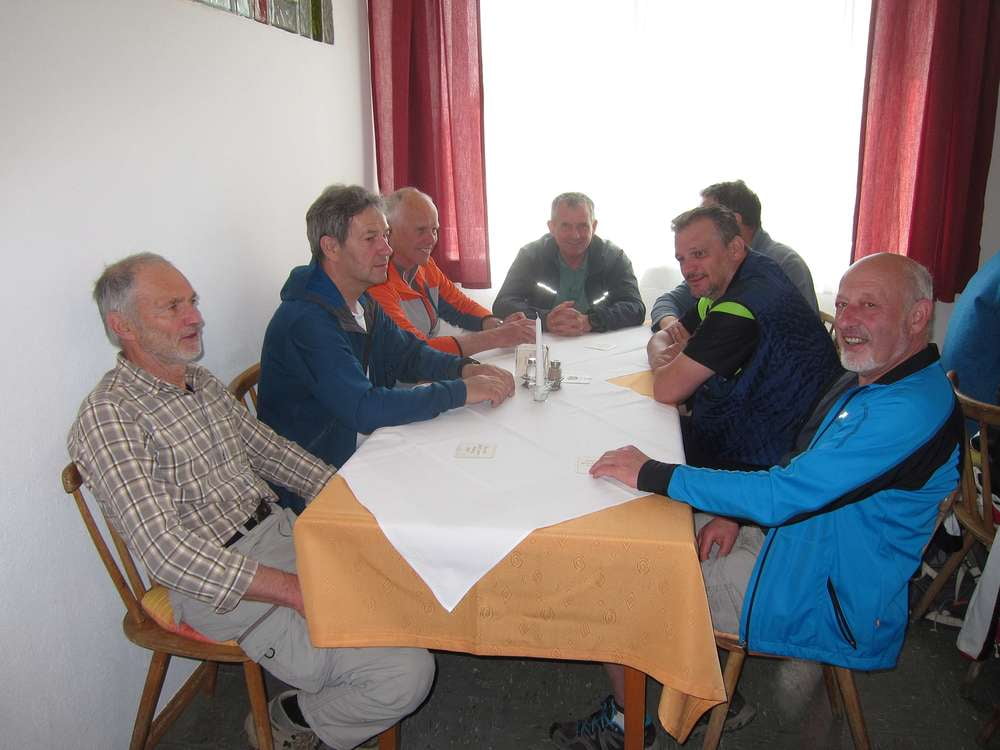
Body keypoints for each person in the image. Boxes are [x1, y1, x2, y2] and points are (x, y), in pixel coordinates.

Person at [550, 253, 964, 750]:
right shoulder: (883, 379)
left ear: (918, 316)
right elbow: (804, 465)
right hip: (800, 543)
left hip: (820, 594)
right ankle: (708, 691)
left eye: (869, 306)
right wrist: (732, 512)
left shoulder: (903, 411)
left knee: (616, 578)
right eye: (844, 304)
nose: (848, 321)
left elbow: (783, 495)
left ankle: (629, 726)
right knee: (632, 526)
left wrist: (652, 472)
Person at [67, 253, 435, 750]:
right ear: (122, 326)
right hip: (217, 582)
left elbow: (272, 453)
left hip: (278, 532)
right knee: (406, 674)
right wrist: (292, 589)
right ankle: (293, 719)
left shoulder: (199, 383)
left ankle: (338, 689)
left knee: (413, 582)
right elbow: (167, 553)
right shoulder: (110, 416)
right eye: (172, 307)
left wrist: (357, 503)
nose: (195, 317)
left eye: (192, 301)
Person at [257, 184, 515, 512]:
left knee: (479, 465)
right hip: (321, 480)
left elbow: (409, 354)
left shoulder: (361, 301)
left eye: (386, 235)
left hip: (364, 447)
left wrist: (465, 369)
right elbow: (364, 409)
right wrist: (461, 391)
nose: (387, 249)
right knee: (461, 496)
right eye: (371, 238)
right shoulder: (306, 321)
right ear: (331, 247)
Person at [647, 205, 840, 470]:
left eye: (699, 254)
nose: (688, 269)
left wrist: (670, 363)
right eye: (681, 259)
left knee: (644, 436)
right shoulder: (743, 275)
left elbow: (666, 390)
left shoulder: (739, 307)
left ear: (735, 248)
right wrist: (666, 359)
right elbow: (662, 337)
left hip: (767, 454)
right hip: (770, 424)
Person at [368, 187, 536, 356]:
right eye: (421, 230)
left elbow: (460, 306)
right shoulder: (376, 282)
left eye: (434, 230)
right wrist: (497, 337)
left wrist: (497, 325)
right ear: (389, 232)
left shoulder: (425, 267)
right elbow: (414, 351)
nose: (431, 239)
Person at [650, 179, 818, 333]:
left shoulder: (785, 264)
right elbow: (668, 302)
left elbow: (797, 335)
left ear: (734, 221)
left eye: (706, 215)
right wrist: (675, 329)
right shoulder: (715, 264)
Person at [492, 192, 645, 335]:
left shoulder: (614, 258)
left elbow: (636, 308)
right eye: (565, 226)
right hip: (545, 340)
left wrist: (591, 321)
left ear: (594, 227)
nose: (575, 235)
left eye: (583, 226)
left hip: (599, 341)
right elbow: (503, 303)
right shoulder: (531, 256)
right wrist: (546, 319)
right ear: (551, 227)